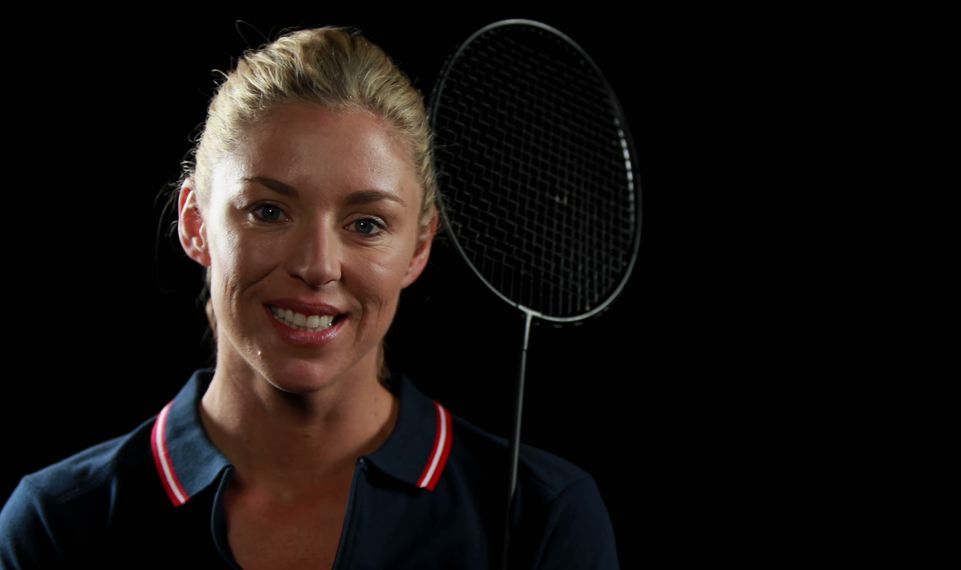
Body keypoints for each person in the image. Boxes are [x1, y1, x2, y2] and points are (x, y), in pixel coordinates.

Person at [0, 25, 619, 569]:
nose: (317, 266)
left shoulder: (541, 514)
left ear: (421, 245)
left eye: (368, 224)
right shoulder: (61, 522)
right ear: (196, 224)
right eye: (268, 211)